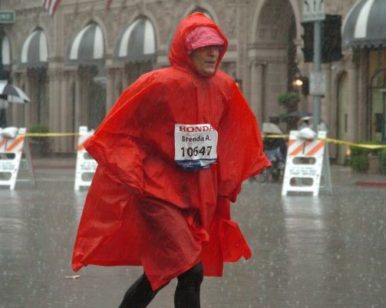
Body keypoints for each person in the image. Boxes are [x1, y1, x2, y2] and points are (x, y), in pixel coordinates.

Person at [72, 12, 270, 308]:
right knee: (191, 269)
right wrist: (134, 173)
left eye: (217, 45)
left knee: (161, 273)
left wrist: (227, 181)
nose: (213, 52)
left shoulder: (225, 87)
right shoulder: (157, 84)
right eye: (205, 46)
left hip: (196, 196)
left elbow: (236, 134)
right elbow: (117, 129)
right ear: (187, 49)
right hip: (158, 194)